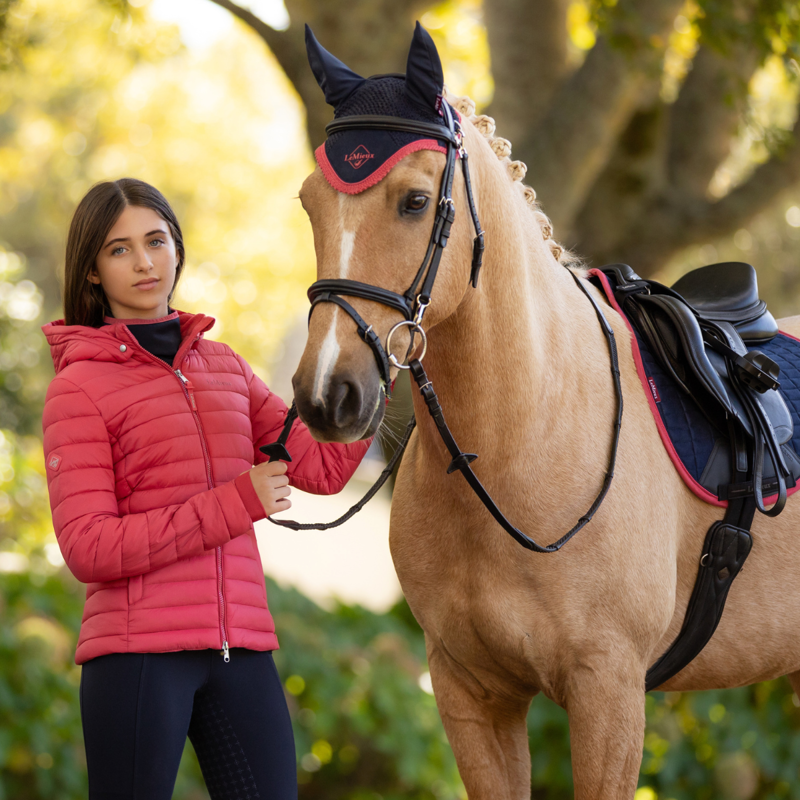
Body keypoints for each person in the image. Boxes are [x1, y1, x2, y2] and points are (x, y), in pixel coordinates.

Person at [41, 177, 372, 800]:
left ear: (177, 247)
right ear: (91, 271)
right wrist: (236, 502)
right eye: (119, 249)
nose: (144, 261)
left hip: (239, 648)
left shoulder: (224, 368)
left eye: (156, 240)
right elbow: (88, 547)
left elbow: (320, 468)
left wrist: (376, 378)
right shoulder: (78, 389)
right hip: (137, 657)